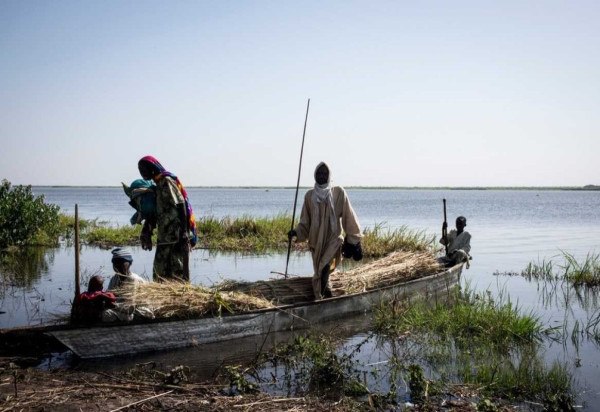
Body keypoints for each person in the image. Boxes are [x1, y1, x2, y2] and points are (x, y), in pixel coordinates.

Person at [288, 162, 363, 300]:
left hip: (333, 240)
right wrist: (296, 233)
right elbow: (305, 221)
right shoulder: (310, 196)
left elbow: (348, 215)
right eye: (319, 173)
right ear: (314, 175)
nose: (321, 176)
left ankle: (321, 296)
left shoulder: (338, 192)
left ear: (329, 175)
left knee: (324, 266)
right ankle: (325, 290)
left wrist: (354, 238)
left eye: (324, 173)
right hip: (316, 242)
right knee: (320, 269)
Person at [137, 155, 197, 282]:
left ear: (151, 168)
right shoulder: (157, 184)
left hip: (176, 235)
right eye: (140, 170)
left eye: (143, 169)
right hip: (164, 236)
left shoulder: (166, 181)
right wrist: (147, 231)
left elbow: (181, 205)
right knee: (160, 271)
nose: (142, 173)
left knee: (177, 268)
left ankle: (180, 292)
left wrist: (185, 232)